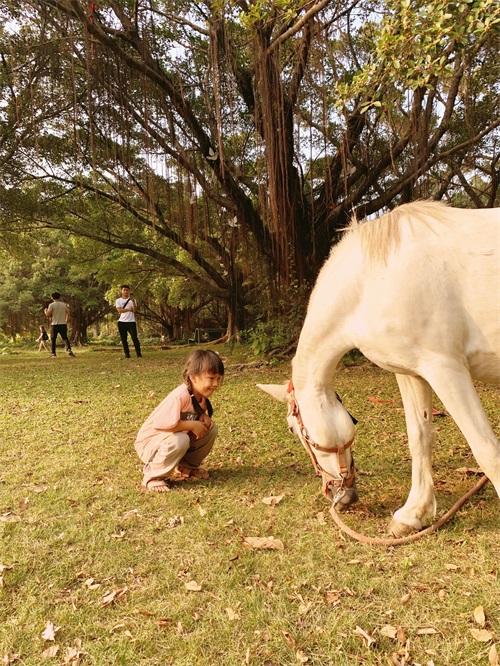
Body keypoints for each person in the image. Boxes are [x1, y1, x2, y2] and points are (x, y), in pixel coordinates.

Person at [134, 350, 224, 492]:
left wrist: (202, 417)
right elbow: (161, 424)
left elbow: (192, 413)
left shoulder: (201, 396)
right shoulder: (180, 396)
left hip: (168, 441)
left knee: (210, 429)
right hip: (149, 445)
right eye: (211, 378)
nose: (216, 384)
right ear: (193, 378)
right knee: (180, 439)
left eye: (219, 379)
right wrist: (192, 424)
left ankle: (187, 466)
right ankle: (153, 477)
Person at [44, 293, 75, 357]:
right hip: (63, 324)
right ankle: (69, 350)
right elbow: (68, 314)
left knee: (53, 339)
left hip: (55, 324)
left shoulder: (51, 305)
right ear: (59, 297)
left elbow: (48, 314)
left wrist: (45, 311)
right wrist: (66, 321)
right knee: (65, 338)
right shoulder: (64, 305)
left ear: (52, 298)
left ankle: (53, 353)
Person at [115, 285, 142, 359]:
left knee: (134, 338)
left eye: (127, 290)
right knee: (124, 339)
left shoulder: (133, 300)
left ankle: (139, 354)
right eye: (124, 290)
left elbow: (135, 310)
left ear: (129, 291)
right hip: (121, 322)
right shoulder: (118, 300)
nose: (126, 291)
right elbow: (119, 310)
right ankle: (127, 355)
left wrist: (133, 301)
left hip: (131, 322)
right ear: (121, 291)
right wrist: (128, 309)